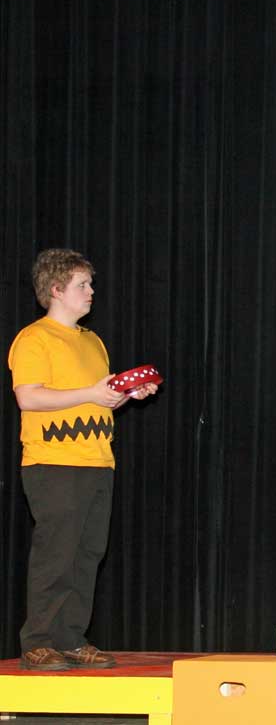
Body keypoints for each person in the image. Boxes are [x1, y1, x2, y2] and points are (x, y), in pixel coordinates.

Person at [8, 249, 158, 671]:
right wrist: (92, 393)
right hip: (54, 462)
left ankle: (70, 638)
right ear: (56, 289)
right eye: (82, 285)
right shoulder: (34, 338)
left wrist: (125, 395)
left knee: (87, 553)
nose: (91, 291)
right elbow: (29, 397)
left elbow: (96, 403)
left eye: (90, 284)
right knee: (56, 554)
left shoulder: (93, 341)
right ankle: (38, 641)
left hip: (98, 461)